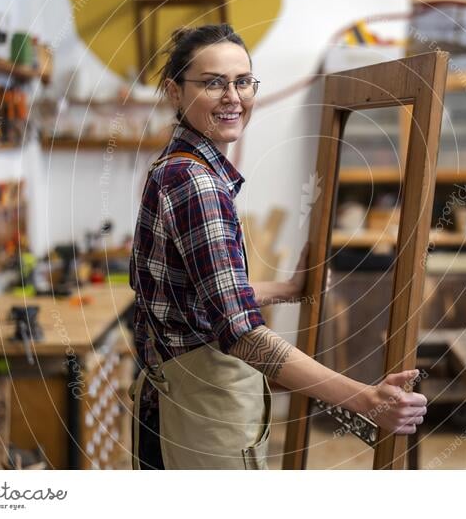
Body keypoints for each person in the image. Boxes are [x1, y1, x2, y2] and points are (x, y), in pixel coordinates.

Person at [129, 24, 427, 470]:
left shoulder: (175, 168)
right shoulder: (196, 184)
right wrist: (365, 398)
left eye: (243, 81)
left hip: (175, 404)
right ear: (175, 92)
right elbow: (242, 334)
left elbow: (197, 300)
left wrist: (288, 288)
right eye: (213, 82)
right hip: (204, 417)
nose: (233, 96)